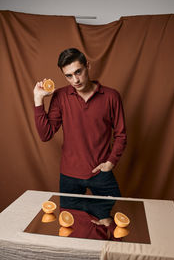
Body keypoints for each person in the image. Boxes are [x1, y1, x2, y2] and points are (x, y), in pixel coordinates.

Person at [33, 48, 127, 197]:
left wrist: (110, 162)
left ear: (87, 66)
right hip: (69, 177)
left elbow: (121, 135)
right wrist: (38, 100)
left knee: (110, 218)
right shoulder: (60, 96)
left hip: (101, 173)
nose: (75, 80)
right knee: (69, 219)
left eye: (78, 72)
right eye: (68, 76)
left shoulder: (111, 96)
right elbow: (45, 135)